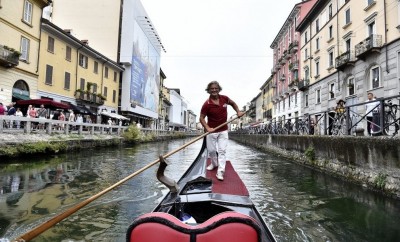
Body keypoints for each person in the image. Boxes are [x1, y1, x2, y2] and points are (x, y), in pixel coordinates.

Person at [199, 81, 244, 181]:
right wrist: (207, 128)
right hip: (211, 131)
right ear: (209, 91)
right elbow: (201, 118)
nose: (214, 90)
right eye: (212, 89)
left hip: (223, 130)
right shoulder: (207, 104)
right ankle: (214, 164)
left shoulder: (225, 98)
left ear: (219, 89)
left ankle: (220, 171)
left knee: (222, 151)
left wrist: (238, 111)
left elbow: (233, 103)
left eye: (216, 88)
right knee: (211, 151)